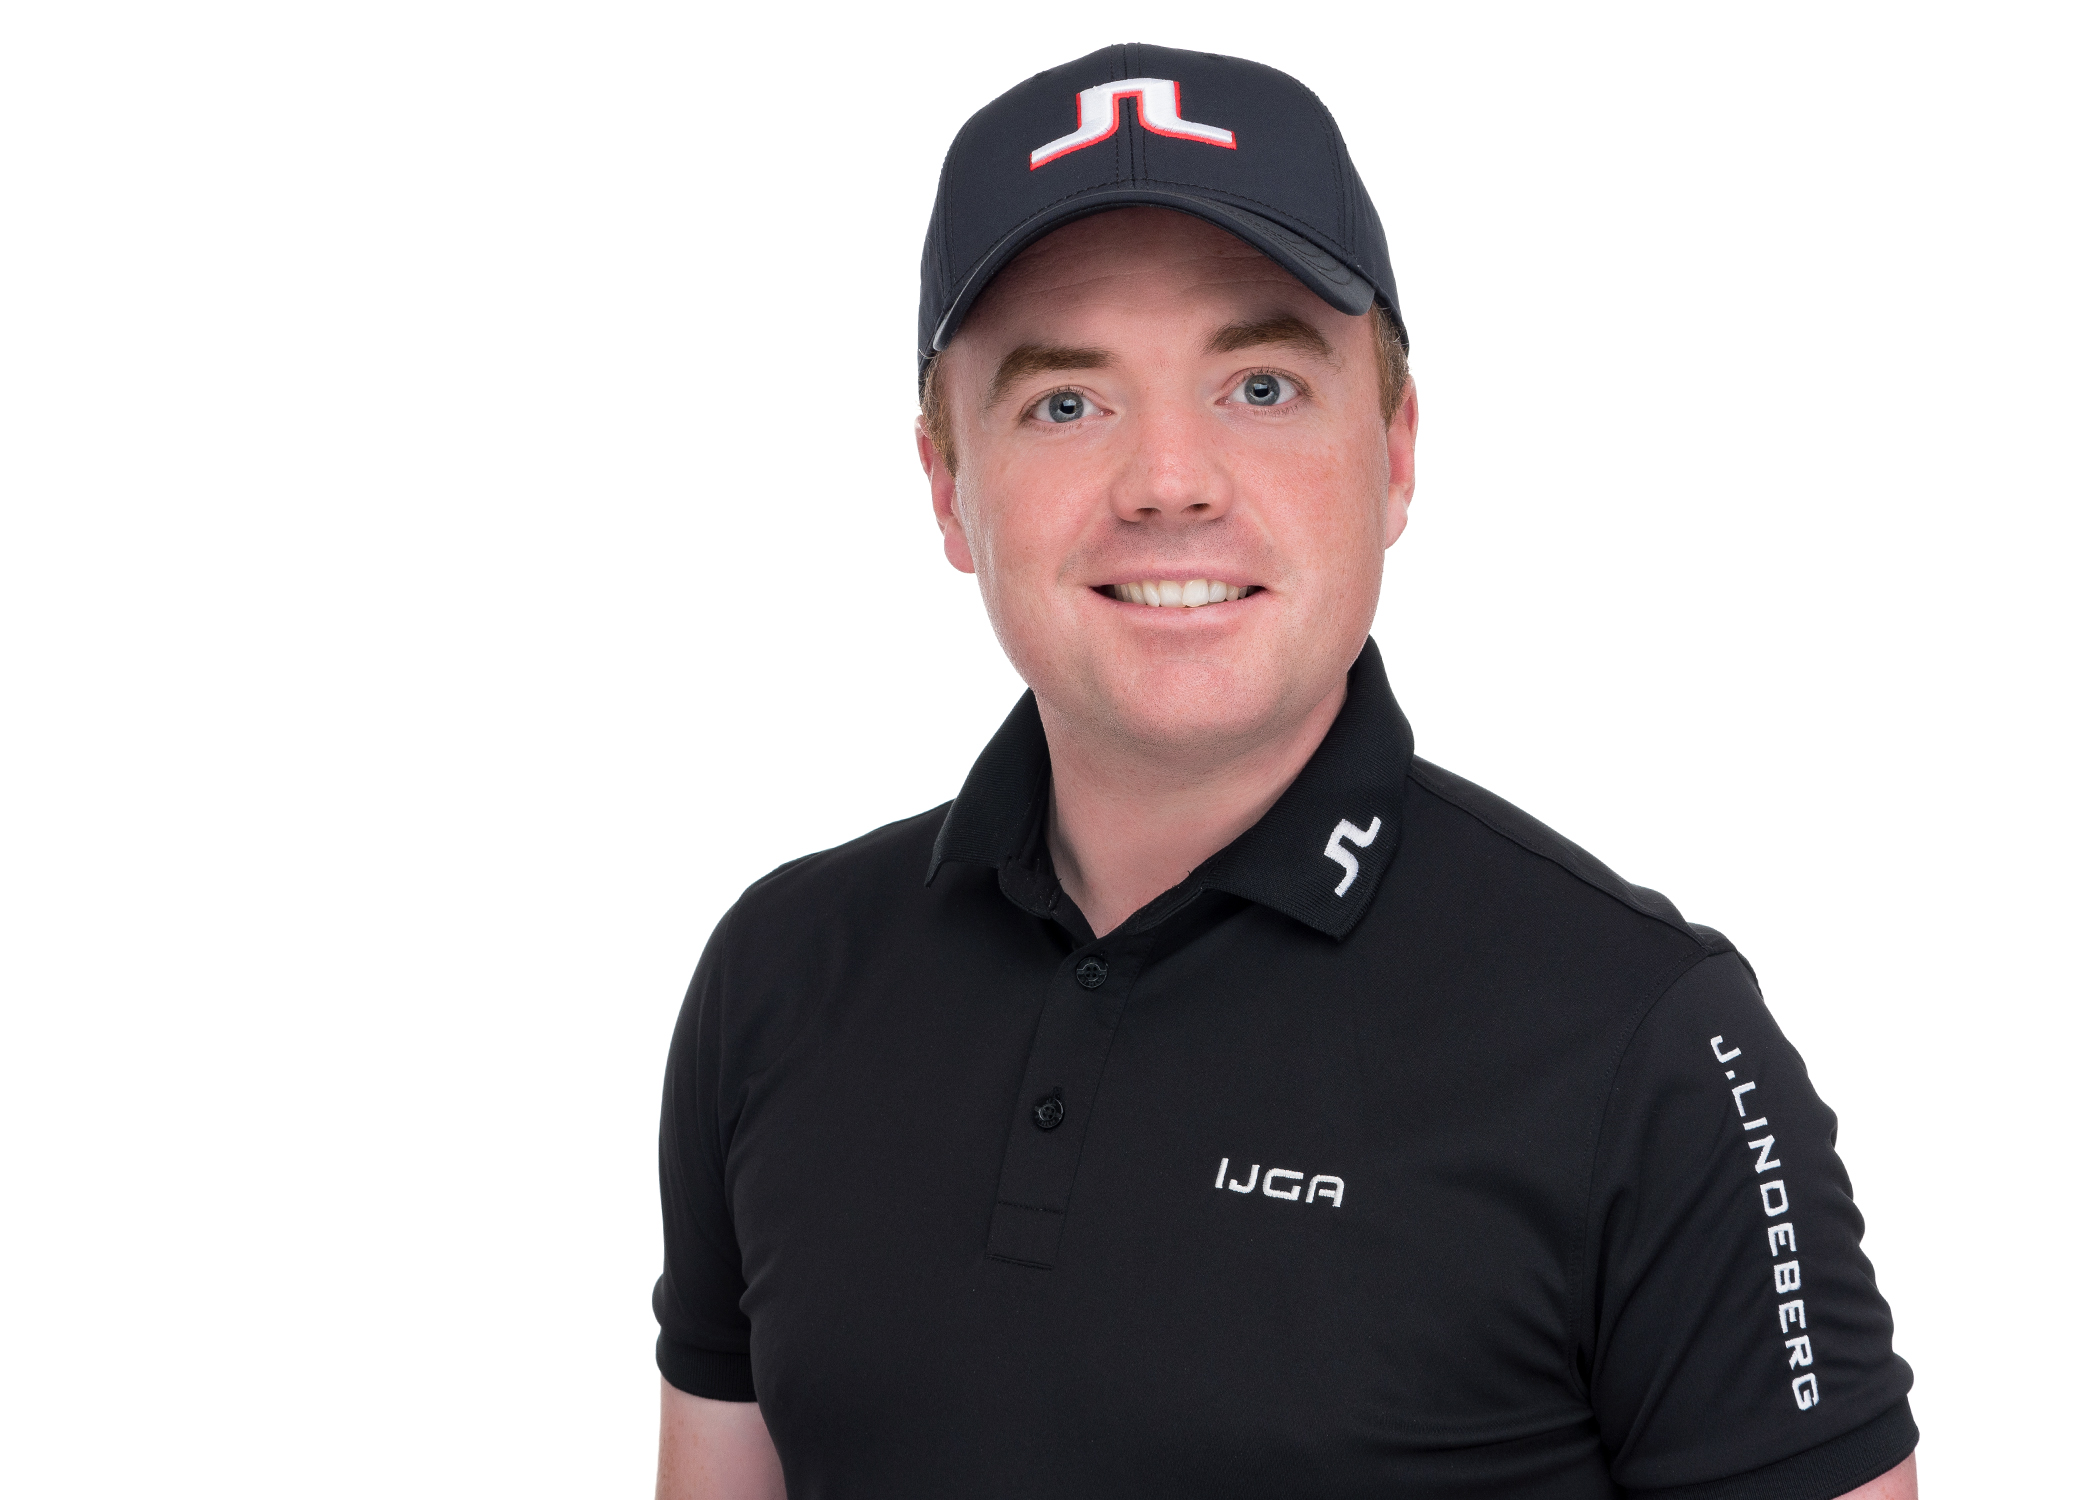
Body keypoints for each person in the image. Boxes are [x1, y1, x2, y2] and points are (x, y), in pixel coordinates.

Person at [653, 44, 1916, 1500]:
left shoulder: (1645, 1043)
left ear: (1395, 451)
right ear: (948, 486)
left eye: (1260, 385)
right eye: (1066, 403)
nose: (1169, 482)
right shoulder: (779, 978)